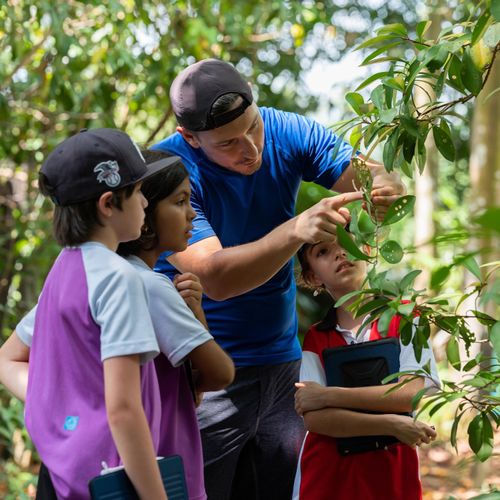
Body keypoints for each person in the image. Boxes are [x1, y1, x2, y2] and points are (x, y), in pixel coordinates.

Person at [152, 58, 406, 500]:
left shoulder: (286, 130)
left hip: (281, 361)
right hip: (203, 374)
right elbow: (215, 277)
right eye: (229, 143)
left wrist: (382, 187)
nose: (250, 148)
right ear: (190, 137)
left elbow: (368, 175)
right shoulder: (167, 172)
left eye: (252, 128)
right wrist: (295, 230)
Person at [0, 129, 179, 499]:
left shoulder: (63, 270)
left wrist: (62, 408)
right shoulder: (119, 279)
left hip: (62, 473)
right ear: (108, 203)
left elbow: (7, 360)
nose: (146, 203)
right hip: (111, 476)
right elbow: (124, 410)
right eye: (139, 191)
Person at [117, 149, 235, 500]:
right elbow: (219, 375)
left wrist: (194, 309)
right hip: (163, 460)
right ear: (144, 212)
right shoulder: (153, 286)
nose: (192, 213)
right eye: (180, 201)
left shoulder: (96, 276)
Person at [292, 232, 441, 500]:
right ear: (314, 276)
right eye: (323, 252)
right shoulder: (316, 337)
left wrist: (329, 396)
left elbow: (409, 395)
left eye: (346, 243)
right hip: (327, 478)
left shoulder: (406, 317)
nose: (340, 253)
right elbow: (316, 419)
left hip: (390, 473)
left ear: (368, 250)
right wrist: (391, 425)